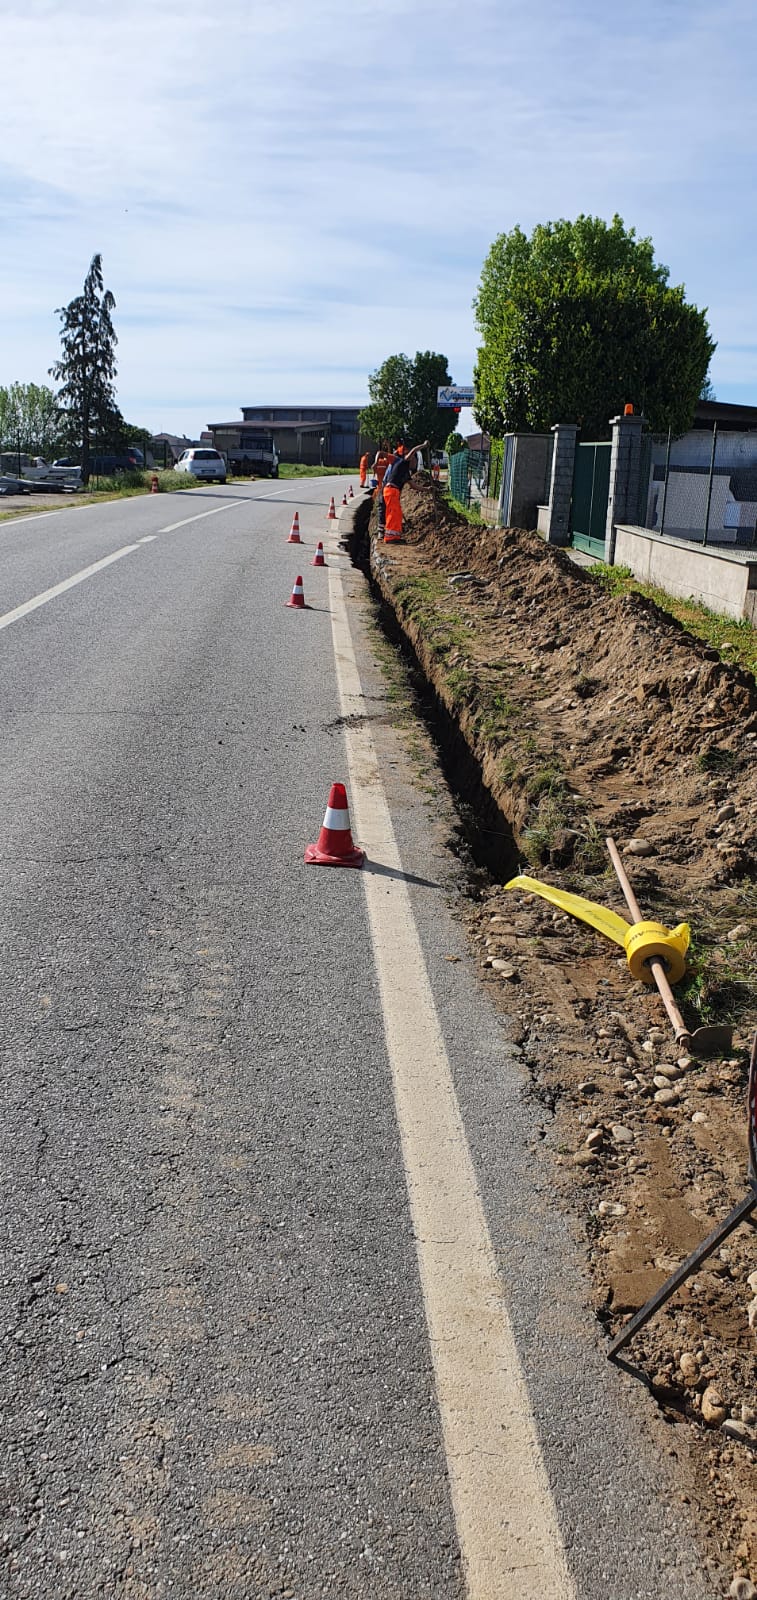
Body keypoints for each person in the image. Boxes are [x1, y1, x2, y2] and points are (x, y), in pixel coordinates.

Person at [382, 437, 429, 543]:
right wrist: (424, 445)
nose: (415, 463)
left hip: (392, 492)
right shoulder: (402, 462)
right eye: (414, 460)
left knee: (396, 514)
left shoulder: (406, 473)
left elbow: (414, 486)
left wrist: (428, 489)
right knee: (393, 514)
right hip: (391, 490)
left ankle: (394, 537)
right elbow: (413, 451)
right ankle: (390, 538)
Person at [372, 439, 395, 535]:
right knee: (385, 510)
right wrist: (389, 447)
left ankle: (378, 527)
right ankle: (383, 527)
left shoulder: (377, 465)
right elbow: (390, 458)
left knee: (379, 509)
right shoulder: (386, 463)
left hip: (379, 489)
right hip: (386, 489)